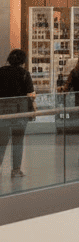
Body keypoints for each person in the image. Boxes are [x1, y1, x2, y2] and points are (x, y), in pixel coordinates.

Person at [0, 48, 35, 180]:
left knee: (1, 142)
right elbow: (31, 94)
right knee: (18, 141)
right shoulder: (25, 74)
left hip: (2, 112)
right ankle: (16, 170)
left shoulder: (1, 72)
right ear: (23, 61)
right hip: (20, 113)